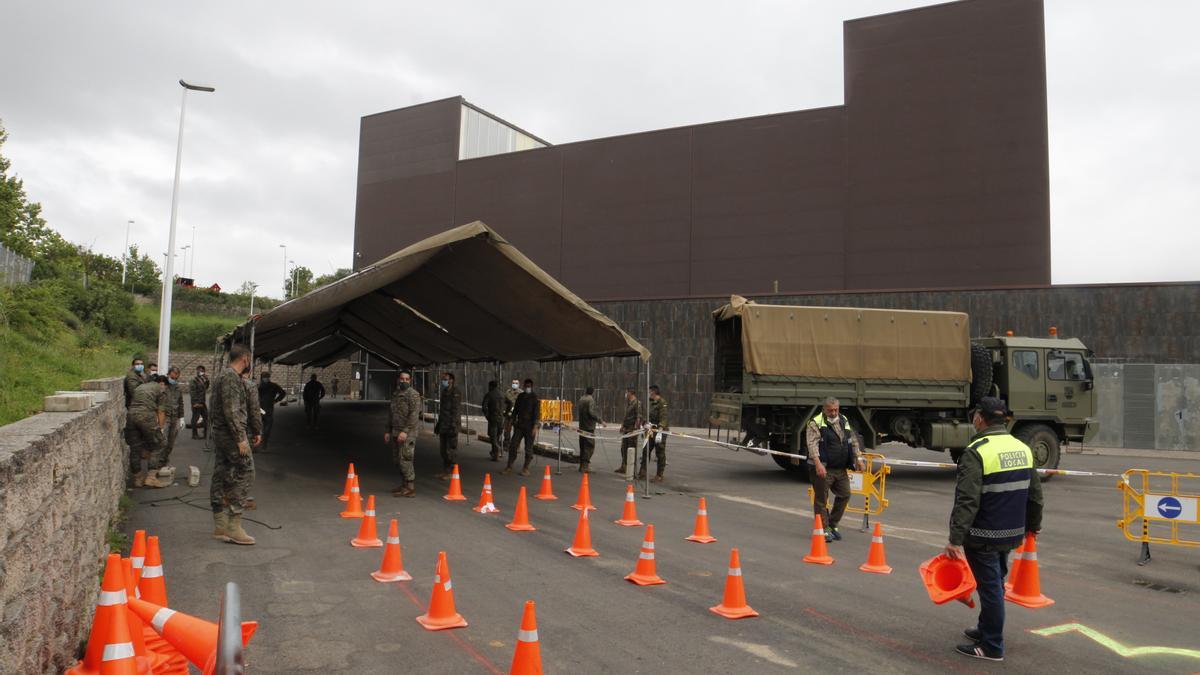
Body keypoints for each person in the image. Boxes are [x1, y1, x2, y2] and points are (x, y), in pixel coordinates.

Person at [944, 397, 1043, 662]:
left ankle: (992, 646)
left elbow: (967, 500)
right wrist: (1034, 526)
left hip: (983, 534)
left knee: (990, 589)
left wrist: (955, 538)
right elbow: (1035, 494)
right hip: (1011, 532)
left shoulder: (977, 451)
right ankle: (986, 629)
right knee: (995, 583)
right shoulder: (1021, 447)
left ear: (980, 418)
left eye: (976, 415)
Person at [209, 345, 259, 545]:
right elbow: (231, 410)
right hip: (230, 435)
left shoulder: (223, 376)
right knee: (246, 471)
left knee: (221, 472)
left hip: (222, 433)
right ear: (245, 358)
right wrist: (240, 438)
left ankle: (220, 523)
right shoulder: (231, 377)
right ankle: (234, 525)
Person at [806, 397, 865, 542]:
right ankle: (823, 529)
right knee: (821, 500)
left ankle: (832, 525)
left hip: (840, 468)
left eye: (836, 410)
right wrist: (818, 464)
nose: (833, 413)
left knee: (845, 494)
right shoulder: (815, 423)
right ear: (824, 409)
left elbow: (853, 440)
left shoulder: (843, 419)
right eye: (830, 410)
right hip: (823, 468)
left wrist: (859, 458)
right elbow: (812, 445)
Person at [385, 370, 422, 497]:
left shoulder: (413, 395)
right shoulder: (396, 394)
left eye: (407, 379)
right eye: (402, 379)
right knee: (397, 460)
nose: (404, 381)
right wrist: (387, 430)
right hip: (396, 431)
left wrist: (405, 431)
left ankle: (410, 487)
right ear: (398, 380)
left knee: (405, 459)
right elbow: (391, 413)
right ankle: (404, 484)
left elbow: (414, 415)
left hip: (408, 433)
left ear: (410, 380)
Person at [128, 375, 169, 488]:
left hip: (131, 416)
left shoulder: (140, 387)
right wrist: (160, 428)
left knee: (135, 447)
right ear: (162, 384)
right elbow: (161, 411)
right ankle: (151, 477)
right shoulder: (160, 389)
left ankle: (138, 478)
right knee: (160, 443)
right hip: (146, 415)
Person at [147, 366, 184, 482]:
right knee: (161, 443)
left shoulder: (177, 388)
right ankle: (152, 470)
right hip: (164, 417)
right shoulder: (162, 385)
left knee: (170, 444)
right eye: (173, 376)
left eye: (176, 377)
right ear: (169, 374)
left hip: (174, 418)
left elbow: (180, 402)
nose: (174, 378)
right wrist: (157, 419)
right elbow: (155, 402)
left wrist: (181, 417)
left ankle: (162, 464)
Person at [505, 378, 540, 476]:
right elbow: (515, 411)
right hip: (519, 425)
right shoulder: (520, 396)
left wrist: (535, 427)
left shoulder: (535, 398)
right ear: (524, 386)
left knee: (528, 449)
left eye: (529, 386)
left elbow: (537, 414)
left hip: (530, 427)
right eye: (526, 386)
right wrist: (510, 422)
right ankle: (509, 466)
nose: (527, 388)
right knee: (513, 445)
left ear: (531, 387)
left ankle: (525, 468)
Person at [434, 372, 461, 479]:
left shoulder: (455, 392)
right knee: (443, 450)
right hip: (443, 425)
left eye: (445, 379)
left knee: (451, 450)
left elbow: (456, 410)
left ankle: (452, 472)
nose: (443, 381)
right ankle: (445, 470)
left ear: (451, 380)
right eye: (443, 379)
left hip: (451, 425)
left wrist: (453, 425)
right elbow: (443, 411)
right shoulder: (444, 392)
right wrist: (438, 425)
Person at [644, 385, 670, 482]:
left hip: (660, 431)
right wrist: (646, 424)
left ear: (653, 392)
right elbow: (649, 416)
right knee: (646, 450)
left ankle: (659, 475)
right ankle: (643, 471)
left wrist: (660, 430)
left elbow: (664, 417)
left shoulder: (662, 403)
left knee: (660, 452)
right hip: (651, 430)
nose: (648, 393)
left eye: (649, 391)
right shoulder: (651, 403)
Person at [575, 387, 603, 473]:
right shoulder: (590, 400)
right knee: (589, 446)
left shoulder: (581, 399)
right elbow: (591, 412)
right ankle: (585, 466)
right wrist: (600, 420)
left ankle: (581, 465)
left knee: (582, 446)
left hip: (582, 426)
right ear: (593, 392)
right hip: (589, 427)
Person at [615, 388, 642, 475]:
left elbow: (638, 417)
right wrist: (622, 426)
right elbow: (626, 416)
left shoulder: (637, 403)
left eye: (626, 392)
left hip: (631, 429)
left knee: (631, 449)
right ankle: (624, 466)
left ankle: (631, 469)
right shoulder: (629, 403)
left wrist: (635, 429)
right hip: (626, 429)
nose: (625, 394)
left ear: (631, 393)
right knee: (623, 448)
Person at [257, 371, 286, 447]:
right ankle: (264, 442)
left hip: (259, 409)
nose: (265, 379)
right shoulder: (274, 386)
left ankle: (258, 442)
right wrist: (276, 400)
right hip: (268, 409)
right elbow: (283, 393)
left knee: (257, 425)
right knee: (268, 425)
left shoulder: (258, 386)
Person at [481, 380, 506, 461]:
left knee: (493, 437)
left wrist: (487, 416)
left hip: (493, 418)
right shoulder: (502, 394)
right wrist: (506, 412)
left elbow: (484, 407)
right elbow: (510, 403)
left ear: (491, 386)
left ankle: (497, 449)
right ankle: (495, 454)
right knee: (497, 436)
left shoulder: (489, 394)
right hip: (501, 418)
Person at [189, 365, 210, 439]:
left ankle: (206, 433)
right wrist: (195, 403)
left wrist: (207, 380)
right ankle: (194, 434)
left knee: (206, 416)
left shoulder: (203, 379)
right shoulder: (194, 380)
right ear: (196, 371)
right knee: (195, 417)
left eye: (202, 371)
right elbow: (192, 392)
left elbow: (206, 387)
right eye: (199, 370)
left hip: (202, 402)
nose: (200, 372)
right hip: (196, 402)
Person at [502, 378, 520, 448]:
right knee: (506, 430)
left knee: (517, 431)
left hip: (517, 415)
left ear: (518, 384)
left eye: (516, 383)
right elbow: (504, 402)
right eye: (513, 383)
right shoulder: (508, 392)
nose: (514, 384)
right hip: (508, 415)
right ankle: (506, 444)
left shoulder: (521, 393)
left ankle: (516, 446)